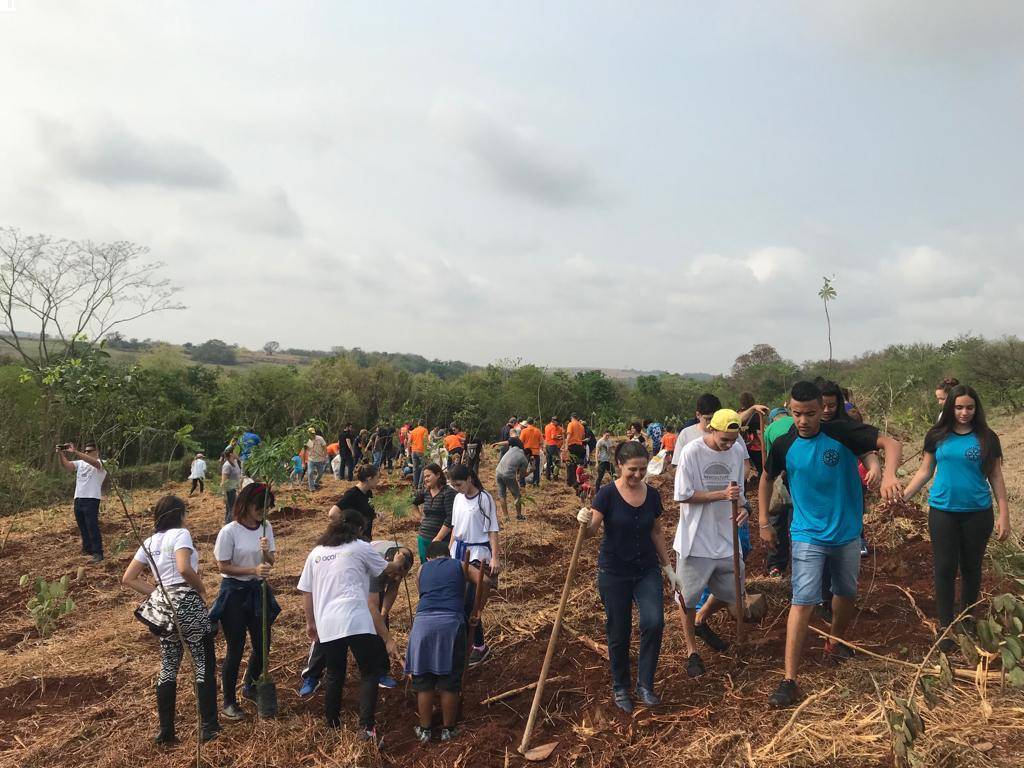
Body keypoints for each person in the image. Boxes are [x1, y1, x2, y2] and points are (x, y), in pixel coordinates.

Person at [758, 381, 902, 708]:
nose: (803, 420)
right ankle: (789, 679)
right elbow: (766, 478)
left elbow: (889, 444)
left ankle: (835, 643)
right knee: (802, 601)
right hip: (807, 534)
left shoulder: (841, 432)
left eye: (810, 413)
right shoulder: (784, 443)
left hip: (847, 533)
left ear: (821, 410)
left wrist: (888, 473)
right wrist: (764, 522)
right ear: (790, 409)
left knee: (846, 594)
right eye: (797, 413)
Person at [902, 385, 1010, 649]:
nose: (964, 412)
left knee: (971, 567)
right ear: (950, 407)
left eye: (969, 407)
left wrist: (1004, 513)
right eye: (959, 407)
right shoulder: (937, 435)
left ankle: (968, 620)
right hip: (943, 512)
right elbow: (925, 471)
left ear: (977, 409)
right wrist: (902, 498)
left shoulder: (987, 438)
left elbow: (996, 476)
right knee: (944, 568)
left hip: (978, 513)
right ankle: (946, 626)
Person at [576, 440, 674, 713]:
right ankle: (620, 686)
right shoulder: (607, 494)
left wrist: (668, 567)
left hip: (647, 570)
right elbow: (592, 531)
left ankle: (645, 684)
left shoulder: (652, 495)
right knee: (618, 631)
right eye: (632, 469)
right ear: (619, 465)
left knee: (654, 622)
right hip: (614, 572)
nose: (638, 475)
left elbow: (656, 531)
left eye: (642, 469)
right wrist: (583, 521)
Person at [298, 510, 407, 739]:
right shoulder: (360, 547)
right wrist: (398, 561)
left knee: (334, 673)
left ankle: (332, 725)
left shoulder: (316, 553)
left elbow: (307, 591)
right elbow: (388, 569)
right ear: (358, 528)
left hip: (328, 622)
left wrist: (311, 622)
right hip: (357, 619)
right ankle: (366, 727)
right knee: (369, 671)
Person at [121, 495, 220, 743]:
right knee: (203, 663)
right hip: (187, 604)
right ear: (180, 514)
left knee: (169, 666)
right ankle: (208, 727)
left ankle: (166, 731)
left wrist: (157, 593)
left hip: (164, 611)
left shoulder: (149, 541)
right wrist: (201, 589)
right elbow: (184, 568)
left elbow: (129, 578)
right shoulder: (181, 535)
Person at [673, 410, 748, 678]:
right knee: (687, 597)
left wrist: (744, 508)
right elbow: (682, 494)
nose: (728, 445)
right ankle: (692, 651)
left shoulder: (736, 451)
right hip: (695, 539)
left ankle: (701, 618)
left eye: (733, 439)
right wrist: (721, 494)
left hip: (726, 536)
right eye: (724, 439)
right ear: (711, 430)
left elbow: (739, 492)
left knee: (734, 592)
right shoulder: (692, 452)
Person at [299, 536, 414, 696]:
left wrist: (383, 614)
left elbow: (392, 589)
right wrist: (387, 638)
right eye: (395, 574)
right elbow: (371, 605)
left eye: (401, 575)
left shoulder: (402, 557)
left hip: (369, 584)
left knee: (380, 623)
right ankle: (312, 675)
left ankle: (380, 672)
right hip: (347, 588)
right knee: (327, 635)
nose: (397, 578)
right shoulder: (376, 563)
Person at [209, 482, 279, 721]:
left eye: (267, 507)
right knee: (236, 647)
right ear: (247, 505)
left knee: (263, 645)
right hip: (235, 593)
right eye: (259, 507)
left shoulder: (266, 527)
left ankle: (250, 685)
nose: (263, 512)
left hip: (258, 591)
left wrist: (266, 552)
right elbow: (223, 566)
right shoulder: (229, 531)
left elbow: (271, 562)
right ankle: (228, 701)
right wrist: (252, 570)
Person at [406, 540, 469, 744]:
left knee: (424, 678)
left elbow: (422, 593)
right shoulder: (459, 564)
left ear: (428, 557)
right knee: (450, 679)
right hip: (451, 623)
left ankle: (424, 730)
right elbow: (484, 581)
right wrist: (476, 609)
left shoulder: (422, 569)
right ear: (448, 555)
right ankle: (448, 730)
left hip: (422, 625)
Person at [448, 464, 502, 666]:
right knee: (458, 602)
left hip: (478, 554)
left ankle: (479, 646)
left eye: (459, 484)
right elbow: (455, 529)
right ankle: (464, 644)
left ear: (469, 479)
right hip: (458, 553)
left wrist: (495, 557)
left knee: (472, 603)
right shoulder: (457, 498)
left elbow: (492, 530)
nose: (457, 488)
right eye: (454, 485)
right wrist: (448, 551)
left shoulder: (484, 499)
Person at [57, 440, 108, 563]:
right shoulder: (80, 463)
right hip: (79, 497)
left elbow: (94, 463)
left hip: (92, 498)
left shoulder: (103, 463)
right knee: (82, 526)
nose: (86, 453)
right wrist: (60, 454)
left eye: (89, 451)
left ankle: (98, 552)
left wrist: (75, 452)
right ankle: (87, 549)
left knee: (92, 525)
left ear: (97, 451)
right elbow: (67, 466)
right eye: (85, 451)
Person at [412, 463, 457, 563]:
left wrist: (438, 538)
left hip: (441, 540)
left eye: (428, 476)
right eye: (424, 477)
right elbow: (412, 502)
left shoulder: (448, 492)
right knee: (425, 565)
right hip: (423, 536)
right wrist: (420, 518)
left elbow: (450, 518)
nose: (426, 479)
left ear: (438, 475)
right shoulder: (426, 492)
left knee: (440, 565)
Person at [330, 464, 379, 539]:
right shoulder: (352, 494)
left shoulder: (368, 492)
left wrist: (376, 514)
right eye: (377, 478)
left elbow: (365, 513)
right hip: (354, 540)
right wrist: (350, 530)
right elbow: (333, 513)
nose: (378, 481)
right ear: (369, 478)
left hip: (365, 538)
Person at [495, 437, 528, 521]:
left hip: (498, 471)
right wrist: (532, 470)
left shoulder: (512, 449)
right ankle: (519, 516)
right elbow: (522, 475)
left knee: (502, 495)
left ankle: (506, 517)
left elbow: (507, 443)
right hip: (508, 474)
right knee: (517, 495)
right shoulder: (524, 458)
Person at [739, 393, 764, 478]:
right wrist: (764, 447)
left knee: (742, 468)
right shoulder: (756, 414)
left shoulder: (738, 413)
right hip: (754, 446)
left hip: (741, 445)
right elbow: (759, 432)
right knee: (761, 469)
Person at [517, 418, 543, 487]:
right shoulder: (538, 431)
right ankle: (535, 483)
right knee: (536, 468)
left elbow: (520, 442)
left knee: (523, 468)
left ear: (527, 423)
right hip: (535, 452)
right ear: (533, 423)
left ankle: (522, 483)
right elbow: (541, 442)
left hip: (526, 452)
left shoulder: (524, 431)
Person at [220, 450, 242, 526]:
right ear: (231, 454)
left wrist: (239, 488)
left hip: (234, 489)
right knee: (232, 510)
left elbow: (238, 476)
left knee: (230, 509)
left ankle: (227, 525)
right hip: (229, 490)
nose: (237, 454)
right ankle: (228, 526)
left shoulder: (235, 462)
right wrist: (224, 494)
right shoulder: (227, 465)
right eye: (236, 452)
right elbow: (224, 481)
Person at [565, 414, 586, 488]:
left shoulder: (571, 424)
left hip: (572, 446)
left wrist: (566, 446)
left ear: (572, 418)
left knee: (570, 464)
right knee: (577, 465)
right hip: (579, 446)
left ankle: (570, 482)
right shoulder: (581, 426)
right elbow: (583, 437)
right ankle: (577, 481)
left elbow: (569, 436)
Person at [409, 420, 429, 489]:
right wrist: (427, 452)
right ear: (424, 424)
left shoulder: (413, 431)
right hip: (421, 451)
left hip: (413, 451)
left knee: (415, 468)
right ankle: (420, 486)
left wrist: (409, 452)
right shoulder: (425, 430)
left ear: (418, 424)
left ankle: (415, 485)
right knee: (424, 467)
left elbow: (409, 442)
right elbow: (426, 441)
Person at [543, 417, 563, 481]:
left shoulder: (547, 426)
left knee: (549, 462)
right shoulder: (553, 427)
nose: (557, 424)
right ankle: (555, 476)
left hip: (547, 445)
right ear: (555, 421)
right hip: (553, 445)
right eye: (557, 422)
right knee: (557, 462)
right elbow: (553, 436)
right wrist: (559, 438)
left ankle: (548, 477)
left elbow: (548, 436)